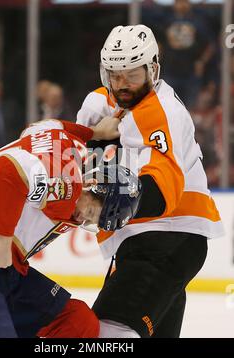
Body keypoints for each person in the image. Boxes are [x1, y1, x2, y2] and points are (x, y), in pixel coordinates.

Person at [77, 24, 224, 338]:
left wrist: (98, 204)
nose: (123, 84)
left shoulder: (161, 110)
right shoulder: (105, 102)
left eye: (132, 74)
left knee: (106, 335)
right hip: (143, 241)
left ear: (153, 69)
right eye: (115, 75)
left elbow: (159, 192)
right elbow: (77, 151)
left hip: (166, 237)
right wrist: (89, 139)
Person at [0, 116, 128, 338]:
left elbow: (44, 126)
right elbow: (6, 170)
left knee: (76, 322)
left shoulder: (67, 145)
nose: (83, 219)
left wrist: (94, 133)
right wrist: (3, 242)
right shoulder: (66, 189)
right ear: (92, 184)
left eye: (90, 222)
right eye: (92, 212)